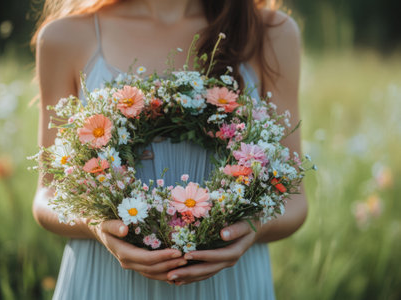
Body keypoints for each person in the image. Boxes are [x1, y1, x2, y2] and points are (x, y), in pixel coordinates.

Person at [32, 0, 307, 298]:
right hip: (109, 280)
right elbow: (49, 194)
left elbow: (294, 200)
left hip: (227, 282)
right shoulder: (65, 36)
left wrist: (255, 227)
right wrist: (97, 224)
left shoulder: (270, 32)